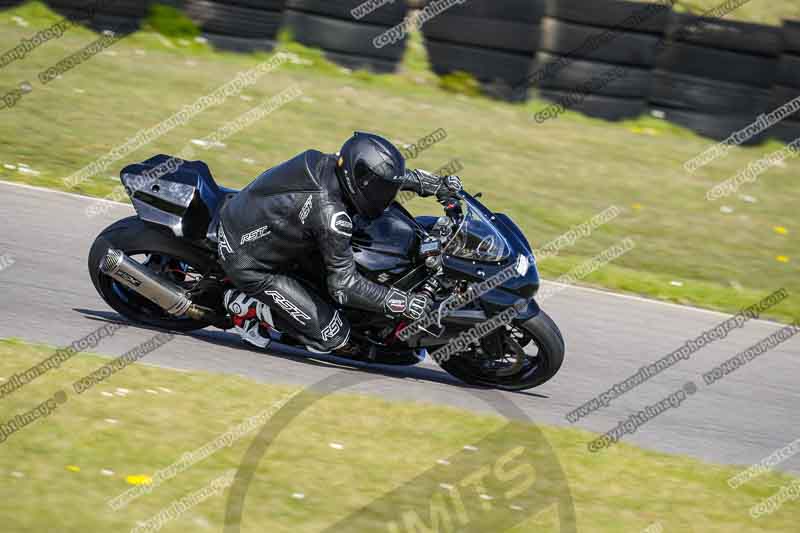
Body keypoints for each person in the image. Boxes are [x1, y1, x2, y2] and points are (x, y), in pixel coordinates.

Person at [217, 131, 463, 353]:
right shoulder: (330, 214)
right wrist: (405, 304)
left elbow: (379, 175)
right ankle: (246, 306)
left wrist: (434, 184)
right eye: (380, 190)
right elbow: (344, 287)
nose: (386, 197)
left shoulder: (332, 163)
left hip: (258, 219)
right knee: (334, 336)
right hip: (250, 262)